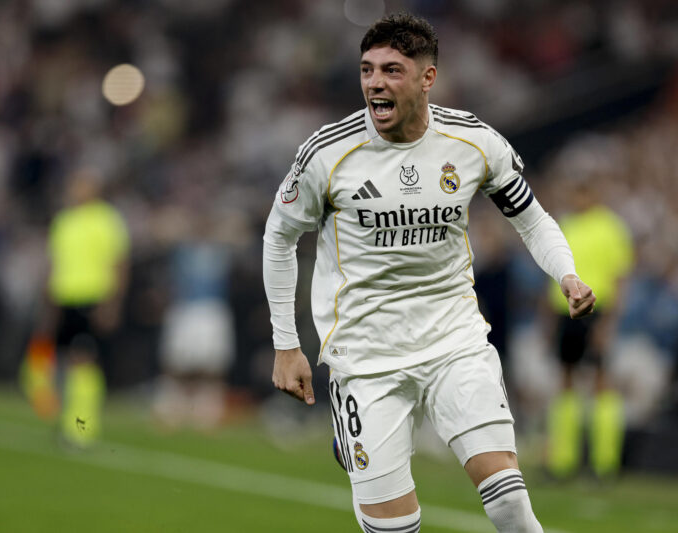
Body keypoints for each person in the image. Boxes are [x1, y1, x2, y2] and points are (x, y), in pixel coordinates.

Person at [262, 13, 595, 533]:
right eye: (367, 70)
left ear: (427, 78)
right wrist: (286, 343)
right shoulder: (328, 153)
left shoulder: (473, 143)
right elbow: (279, 237)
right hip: (364, 355)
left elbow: (531, 218)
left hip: (453, 340)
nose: (375, 82)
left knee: (508, 499)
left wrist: (567, 274)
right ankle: (356, 438)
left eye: (392, 70)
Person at [545, 176, 633, 480]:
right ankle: (563, 461)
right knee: (566, 381)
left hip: (597, 308)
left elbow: (620, 278)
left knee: (600, 382)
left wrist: (608, 324)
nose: (578, 199)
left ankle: (604, 464)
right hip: (564, 312)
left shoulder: (610, 228)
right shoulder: (566, 225)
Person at [37, 167, 130, 448]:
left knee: (84, 360)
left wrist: (112, 303)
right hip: (64, 298)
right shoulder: (64, 221)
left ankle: (82, 427)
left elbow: (119, 263)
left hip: (92, 297)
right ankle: (72, 422)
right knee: (67, 362)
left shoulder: (107, 220)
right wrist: (49, 305)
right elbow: (54, 265)